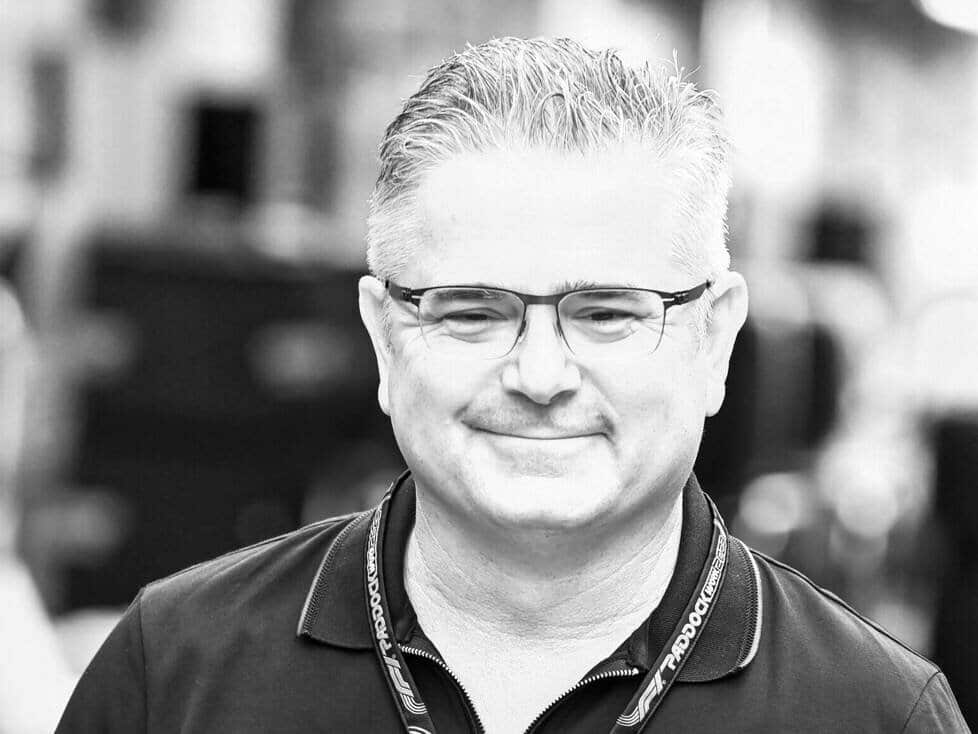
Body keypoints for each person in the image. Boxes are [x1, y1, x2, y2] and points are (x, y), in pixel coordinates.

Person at [56, 37, 968, 733]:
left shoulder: (876, 715)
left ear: (715, 339)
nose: (538, 376)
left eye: (606, 313)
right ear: (383, 337)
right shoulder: (172, 672)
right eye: (471, 312)